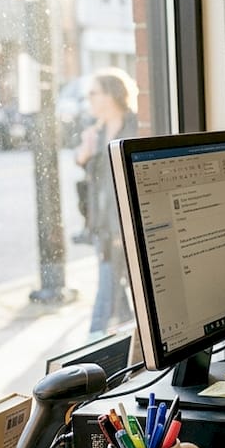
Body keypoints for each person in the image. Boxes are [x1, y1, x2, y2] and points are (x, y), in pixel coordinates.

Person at [75, 67, 139, 336]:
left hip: (125, 224)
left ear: (111, 95)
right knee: (116, 291)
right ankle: (130, 340)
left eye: (93, 93)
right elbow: (84, 164)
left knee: (108, 290)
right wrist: (86, 150)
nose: (88, 99)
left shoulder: (135, 126)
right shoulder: (97, 131)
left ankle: (95, 340)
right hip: (103, 224)